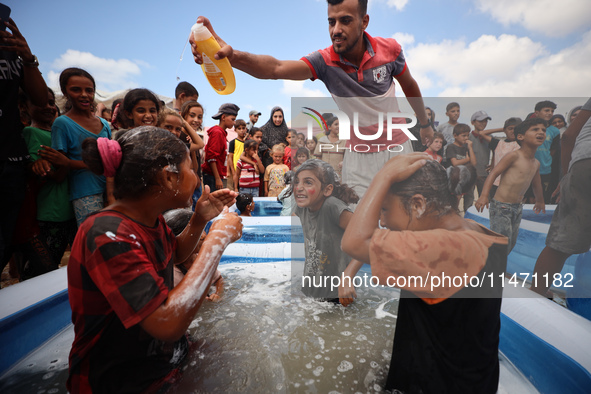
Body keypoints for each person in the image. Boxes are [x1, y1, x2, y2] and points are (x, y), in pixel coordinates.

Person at [190, 0, 434, 199]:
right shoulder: (324, 61)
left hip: (397, 148)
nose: (336, 29)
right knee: (357, 224)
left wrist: (424, 125)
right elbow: (275, 68)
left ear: (364, 21)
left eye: (345, 20)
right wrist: (232, 57)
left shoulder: (390, 50)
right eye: (331, 21)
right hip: (358, 156)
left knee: (403, 222)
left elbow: (410, 85)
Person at [67, 126, 241, 393]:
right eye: (191, 169)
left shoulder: (149, 220)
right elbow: (166, 323)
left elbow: (175, 255)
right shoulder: (106, 233)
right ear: (169, 178)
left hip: (156, 359)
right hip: (118, 380)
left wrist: (198, 220)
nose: (196, 177)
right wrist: (216, 242)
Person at [342, 154, 508, 393]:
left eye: (385, 209)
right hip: (469, 378)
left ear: (418, 205)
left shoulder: (448, 247)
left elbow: (355, 242)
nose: (382, 221)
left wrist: (383, 177)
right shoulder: (473, 233)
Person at [0, 17, 49, 276]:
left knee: (7, 239)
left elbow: (41, 99)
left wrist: (28, 58)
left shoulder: (12, 54)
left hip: (11, 162)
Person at [531, 98, 591, 297]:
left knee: (560, 244)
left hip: (584, 164)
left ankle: (535, 295)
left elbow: (569, 136)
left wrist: (566, 177)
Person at [44, 68, 112, 227]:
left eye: (89, 90)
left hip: (109, 191)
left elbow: (110, 160)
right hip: (84, 192)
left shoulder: (104, 125)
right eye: (76, 90)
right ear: (64, 92)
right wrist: (68, 163)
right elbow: (60, 164)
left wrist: (69, 163)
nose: (84, 95)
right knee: (94, 239)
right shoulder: (62, 124)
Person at [291, 159, 363, 305]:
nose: (299, 187)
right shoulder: (301, 207)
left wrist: (348, 277)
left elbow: (368, 237)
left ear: (327, 190)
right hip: (312, 292)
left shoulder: (332, 207)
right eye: (297, 182)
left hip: (338, 295)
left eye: (308, 182)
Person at [22, 87, 76, 277]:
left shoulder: (60, 134)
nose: (48, 107)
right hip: (50, 214)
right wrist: (69, 160)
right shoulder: (31, 133)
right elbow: (56, 176)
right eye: (40, 102)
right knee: (43, 270)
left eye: (51, 103)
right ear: (25, 107)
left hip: (70, 212)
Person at [475, 118, 546, 253]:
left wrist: (540, 200)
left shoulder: (536, 163)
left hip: (517, 207)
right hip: (502, 207)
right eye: (535, 129)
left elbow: (537, 184)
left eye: (543, 129)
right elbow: (493, 174)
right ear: (520, 136)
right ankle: (489, 269)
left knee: (511, 244)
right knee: (501, 244)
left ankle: (496, 268)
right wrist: (484, 196)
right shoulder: (513, 156)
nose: (541, 132)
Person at [163, 207, 224, 298]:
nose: (204, 235)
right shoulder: (170, 273)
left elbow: (218, 279)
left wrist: (218, 294)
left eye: (202, 229)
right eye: (198, 231)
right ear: (180, 239)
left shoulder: (201, 259)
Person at [480, 117, 521, 198]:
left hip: (515, 184)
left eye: (516, 128)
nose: (513, 131)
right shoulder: (498, 143)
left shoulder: (523, 144)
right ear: (505, 130)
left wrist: (509, 128)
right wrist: (503, 129)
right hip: (497, 183)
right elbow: (482, 133)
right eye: (510, 128)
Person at [203, 103, 239, 191]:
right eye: (232, 119)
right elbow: (211, 157)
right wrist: (217, 178)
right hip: (212, 176)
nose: (234, 123)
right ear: (223, 117)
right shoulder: (217, 133)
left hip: (216, 175)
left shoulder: (222, 133)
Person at [532, 100, 561, 203]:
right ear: (537, 113)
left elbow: (553, 150)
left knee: (542, 198)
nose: (550, 113)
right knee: (528, 198)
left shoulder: (555, 131)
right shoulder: (528, 128)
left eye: (552, 111)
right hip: (528, 168)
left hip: (545, 169)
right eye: (546, 110)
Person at [445, 123, 476, 212]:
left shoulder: (466, 147)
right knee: (454, 199)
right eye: (463, 136)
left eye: (467, 135)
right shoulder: (451, 147)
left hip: (464, 178)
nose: (466, 138)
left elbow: (473, 163)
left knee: (464, 198)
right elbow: (455, 163)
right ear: (455, 136)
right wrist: (467, 159)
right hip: (454, 179)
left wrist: (470, 148)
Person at [181, 101, 206, 205]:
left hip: (195, 184)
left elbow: (195, 168)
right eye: (192, 115)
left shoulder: (193, 137)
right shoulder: (180, 136)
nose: (196, 120)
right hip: (185, 185)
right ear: (183, 117)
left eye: (199, 117)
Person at [469, 110, 493, 199]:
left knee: (485, 199)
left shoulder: (490, 138)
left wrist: (493, 164)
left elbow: (496, 151)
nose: (483, 123)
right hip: (470, 173)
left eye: (485, 121)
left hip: (484, 173)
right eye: (480, 121)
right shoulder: (468, 137)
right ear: (473, 122)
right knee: (469, 199)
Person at [227, 118, 247, 191]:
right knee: (235, 189)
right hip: (236, 168)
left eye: (243, 128)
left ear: (246, 129)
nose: (241, 130)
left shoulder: (247, 142)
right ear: (235, 130)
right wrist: (232, 170)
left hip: (245, 169)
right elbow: (230, 157)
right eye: (239, 128)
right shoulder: (233, 142)